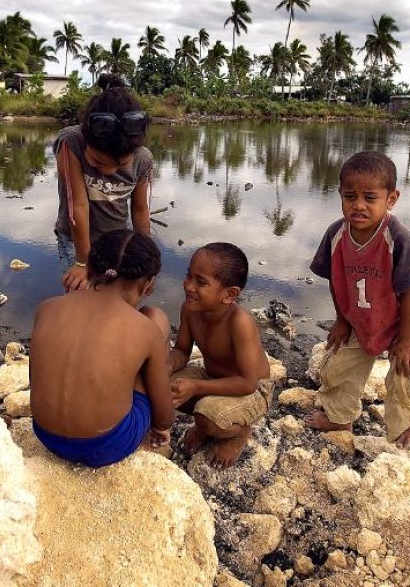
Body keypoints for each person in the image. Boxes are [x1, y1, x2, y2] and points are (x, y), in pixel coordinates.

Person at [303, 151, 410, 449]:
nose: (358, 205)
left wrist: (405, 341)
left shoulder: (397, 237)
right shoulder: (336, 234)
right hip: (362, 315)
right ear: (340, 195)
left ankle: (407, 425)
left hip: (404, 317)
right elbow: (336, 282)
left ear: (391, 199)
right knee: (339, 364)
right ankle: (340, 417)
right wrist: (340, 320)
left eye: (370, 198)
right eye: (350, 196)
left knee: (405, 370)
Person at [29, 229, 173, 467]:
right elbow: (165, 413)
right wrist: (162, 427)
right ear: (149, 284)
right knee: (156, 317)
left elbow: (36, 377)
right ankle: (149, 436)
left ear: (88, 270)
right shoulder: (145, 329)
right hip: (106, 445)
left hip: (46, 435)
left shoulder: (47, 308)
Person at [169, 243, 272, 468]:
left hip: (253, 390)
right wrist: (165, 365)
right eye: (188, 276)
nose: (188, 286)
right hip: (213, 378)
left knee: (206, 417)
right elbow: (181, 351)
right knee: (161, 384)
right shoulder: (190, 309)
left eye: (201, 282)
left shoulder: (239, 322)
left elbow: (247, 382)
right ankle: (207, 422)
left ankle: (238, 433)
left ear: (230, 294)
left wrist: (195, 387)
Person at [54, 74, 154, 292]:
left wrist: (147, 261)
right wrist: (82, 262)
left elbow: (140, 209)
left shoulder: (143, 158)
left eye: (120, 165)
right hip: (75, 241)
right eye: (98, 162)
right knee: (80, 295)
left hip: (117, 242)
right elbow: (77, 204)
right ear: (86, 137)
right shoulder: (71, 143)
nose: (108, 171)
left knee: (115, 297)